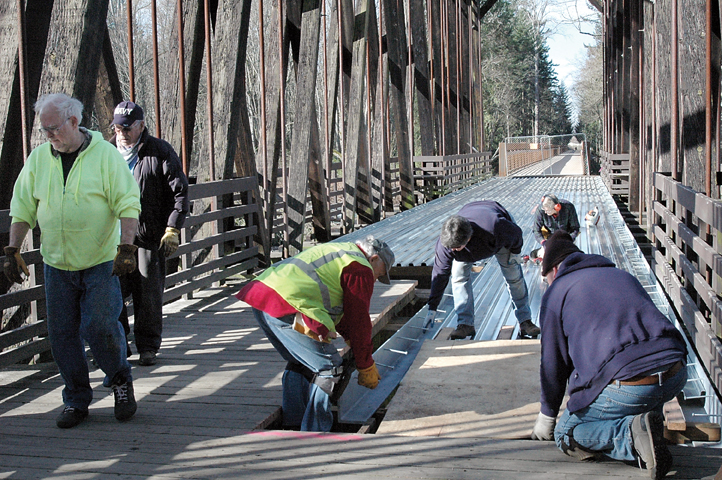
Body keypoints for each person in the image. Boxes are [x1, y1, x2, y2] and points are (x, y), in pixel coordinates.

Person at [3, 93, 141, 428]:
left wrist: (126, 248)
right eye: (44, 129)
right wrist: (12, 249)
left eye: (53, 128)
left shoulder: (105, 156)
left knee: (98, 325)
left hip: (99, 261)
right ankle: (77, 399)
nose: (48, 135)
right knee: (62, 334)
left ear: (74, 122)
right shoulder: (38, 160)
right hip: (56, 264)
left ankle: (120, 379)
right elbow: (22, 206)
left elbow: (127, 203)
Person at [530, 231, 687, 480]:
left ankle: (630, 438)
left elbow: (553, 364)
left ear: (555, 269)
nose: (548, 282)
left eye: (547, 276)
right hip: (676, 373)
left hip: (630, 387)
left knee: (567, 433)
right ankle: (644, 426)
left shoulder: (557, 292)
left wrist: (547, 416)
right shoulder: (621, 274)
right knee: (636, 403)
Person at [236, 236, 395, 432]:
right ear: (374, 259)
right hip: (287, 305)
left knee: (301, 362)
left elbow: (347, 315)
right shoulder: (360, 268)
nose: (376, 279)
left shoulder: (341, 251)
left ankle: (294, 421)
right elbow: (359, 319)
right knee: (330, 368)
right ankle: (315, 429)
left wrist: (349, 339)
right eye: (378, 275)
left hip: (262, 297)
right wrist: (365, 365)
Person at [112, 101, 189, 367]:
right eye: (117, 127)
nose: (121, 132)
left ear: (141, 125)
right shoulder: (106, 153)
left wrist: (172, 228)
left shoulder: (160, 151)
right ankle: (119, 345)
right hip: (114, 239)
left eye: (126, 127)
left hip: (147, 236)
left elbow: (180, 192)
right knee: (113, 295)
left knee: (148, 295)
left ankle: (147, 347)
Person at [425, 200, 540, 340]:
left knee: (513, 277)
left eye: (456, 248)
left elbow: (516, 235)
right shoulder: (446, 244)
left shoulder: (495, 227)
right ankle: (465, 324)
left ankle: (525, 321)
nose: (452, 251)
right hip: (472, 222)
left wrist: (515, 255)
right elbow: (440, 275)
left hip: (498, 235)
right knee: (458, 277)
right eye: (451, 248)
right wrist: (432, 307)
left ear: (468, 239)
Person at [530, 194, 580, 260]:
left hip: (566, 237)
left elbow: (575, 228)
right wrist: (544, 243)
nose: (545, 212)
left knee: (569, 257)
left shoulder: (569, 208)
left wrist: (569, 241)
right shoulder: (540, 211)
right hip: (550, 238)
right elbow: (536, 230)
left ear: (557, 208)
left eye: (547, 210)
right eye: (544, 210)